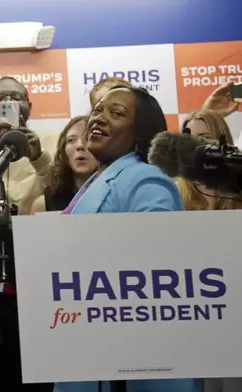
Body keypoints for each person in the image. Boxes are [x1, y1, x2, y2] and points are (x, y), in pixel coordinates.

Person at [54, 86, 200, 392]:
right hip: (93, 351)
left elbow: (163, 266)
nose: (99, 118)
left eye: (116, 113)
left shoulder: (144, 179)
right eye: (97, 110)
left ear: (138, 133)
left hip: (134, 367)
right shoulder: (100, 179)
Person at [0, 76, 58, 215]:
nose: (8, 101)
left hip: (38, 227)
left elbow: (62, 191)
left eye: (16, 96)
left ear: (29, 106)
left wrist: (39, 159)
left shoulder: (54, 141)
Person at [30, 116, 98, 213]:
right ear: (63, 152)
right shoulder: (43, 205)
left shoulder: (118, 198)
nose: (80, 146)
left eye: (88, 138)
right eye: (71, 140)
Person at [177, 109, 242, 210]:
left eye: (203, 138)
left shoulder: (238, 188)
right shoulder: (176, 192)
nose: (194, 146)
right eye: (189, 139)